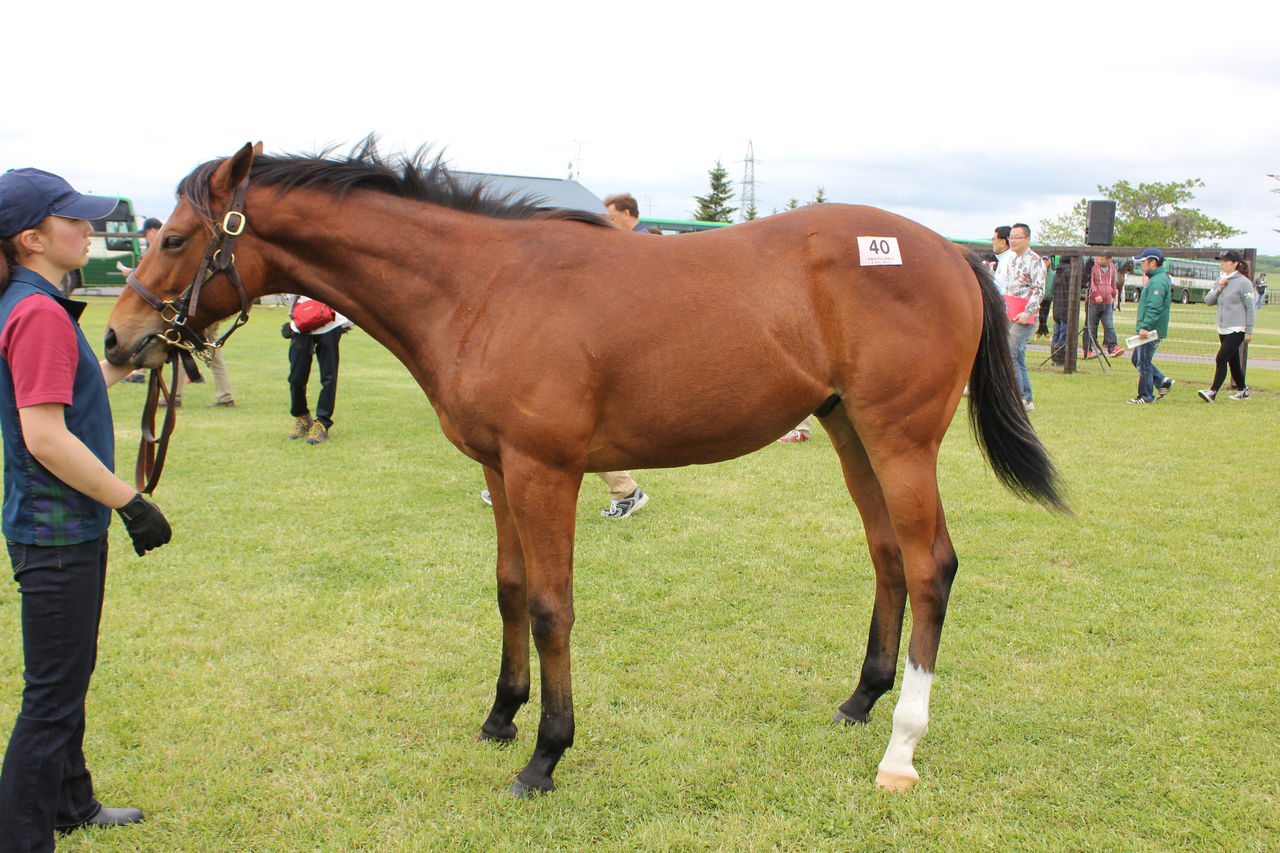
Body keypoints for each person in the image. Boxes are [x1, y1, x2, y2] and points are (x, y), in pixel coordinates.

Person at [0, 167, 172, 851]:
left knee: (70, 675)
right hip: (58, 529)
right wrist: (131, 502)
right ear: (33, 238)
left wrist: (132, 364)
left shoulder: (29, 300)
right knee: (51, 696)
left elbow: (63, 393)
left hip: (54, 525)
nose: (89, 229)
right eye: (74, 220)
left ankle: (72, 800)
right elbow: (45, 434)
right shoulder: (38, 312)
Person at [283, 296, 348, 444]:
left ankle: (322, 422)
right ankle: (302, 416)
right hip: (301, 324)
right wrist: (291, 319)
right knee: (296, 377)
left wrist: (348, 322)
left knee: (328, 377)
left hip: (330, 322)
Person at [1197, 250, 1256, 402]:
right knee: (1233, 361)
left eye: (1225, 261)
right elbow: (1208, 301)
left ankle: (1212, 392)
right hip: (1223, 327)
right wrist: (1219, 289)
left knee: (1221, 358)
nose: (1221, 264)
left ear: (1235, 264)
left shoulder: (1244, 283)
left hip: (1237, 328)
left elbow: (1250, 308)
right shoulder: (1220, 280)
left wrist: (1249, 330)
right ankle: (1243, 390)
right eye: (1221, 261)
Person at [999, 224, 1045, 412]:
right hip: (1010, 312)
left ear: (1027, 239)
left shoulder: (1035, 260)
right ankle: (1026, 399)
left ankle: (1016, 398)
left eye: (1018, 237)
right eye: (1011, 237)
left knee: (1010, 353)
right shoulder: (1011, 260)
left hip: (1026, 315)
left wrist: (1028, 312)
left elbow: (1039, 289)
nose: (1013, 240)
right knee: (1018, 357)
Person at [1127, 248, 1174, 404]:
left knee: (1144, 362)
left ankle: (1145, 396)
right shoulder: (1155, 279)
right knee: (1137, 359)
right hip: (1150, 327)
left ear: (1152, 263)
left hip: (1152, 330)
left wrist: (1146, 327)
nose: (1141, 265)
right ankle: (1161, 381)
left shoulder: (1158, 281)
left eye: (1143, 262)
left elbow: (1155, 307)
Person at [1083, 254, 1123, 358]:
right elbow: (1090, 282)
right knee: (1091, 326)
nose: (1100, 259)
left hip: (1107, 302)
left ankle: (1112, 347)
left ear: (1109, 260)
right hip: (1093, 302)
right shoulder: (1092, 266)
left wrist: (1113, 294)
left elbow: (1113, 282)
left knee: (1109, 325)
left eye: (1104, 258)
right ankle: (1087, 349)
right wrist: (1095, 294)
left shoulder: (1112, 268)